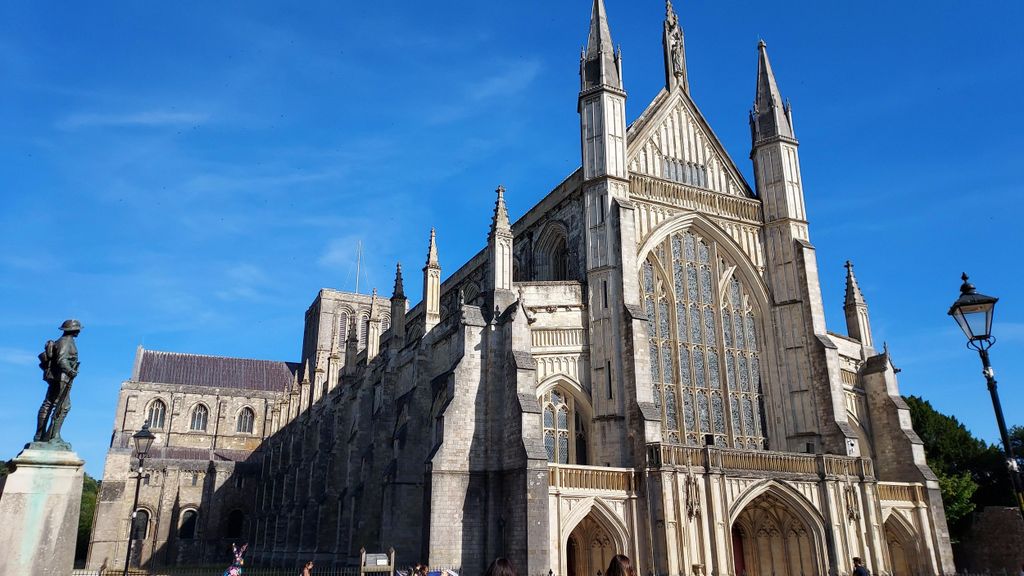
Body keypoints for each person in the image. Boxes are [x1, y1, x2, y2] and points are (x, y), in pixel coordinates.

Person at [34, 319, 82, 445]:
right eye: (77, 329)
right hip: (62, 378)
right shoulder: (66, 342)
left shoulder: (62, 341)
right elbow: (62, 359)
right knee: (64, 406)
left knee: (49, 404)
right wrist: (70, 371)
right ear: (73, 330)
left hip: (57, 377)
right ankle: (53, 436)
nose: (79, 331)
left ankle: (41, 435)